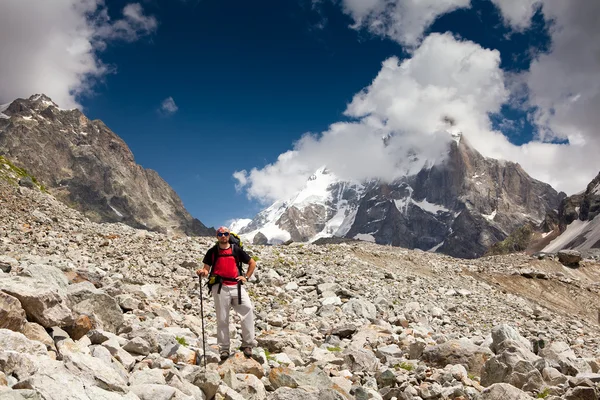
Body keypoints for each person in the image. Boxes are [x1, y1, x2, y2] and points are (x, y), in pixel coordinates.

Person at [197, 226, 257, 360]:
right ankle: (224, 349)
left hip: (237, 285)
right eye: (220, 234)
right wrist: (203, 272)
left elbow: (252, 263)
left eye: (225, 234)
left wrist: (246, 277)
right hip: (220, 287)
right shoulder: (212, 252)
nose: (223, 236)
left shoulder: (236, 250)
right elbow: (206, 270)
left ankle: (247, 344)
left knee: (247, 310)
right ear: (217, 236)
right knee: (222, 318)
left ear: (229, 235)